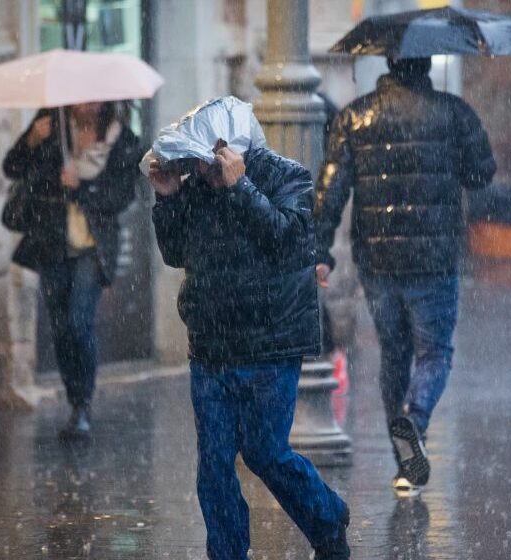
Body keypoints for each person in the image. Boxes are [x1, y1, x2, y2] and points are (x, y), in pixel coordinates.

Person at [147, 97, 350, 560]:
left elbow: (291, 241)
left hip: (270, 344)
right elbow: (176, 252)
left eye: (208, 154)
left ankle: (327, 518)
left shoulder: (287, 176)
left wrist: (241, 189)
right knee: (214, 466)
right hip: (211, 345)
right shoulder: (195, 186)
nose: (201, 166)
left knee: (265, 453)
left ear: (231, 146)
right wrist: (168, 197)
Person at [315, 56, 496, 497]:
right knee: (434, 352)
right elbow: (482, 174)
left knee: (394, 355)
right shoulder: (454, 112)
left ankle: (404, 468)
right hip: (433, 258)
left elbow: (331, 186)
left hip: (377, 259)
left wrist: (319, 249)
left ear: (389, 65)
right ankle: (413, 422)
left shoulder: (355, 116)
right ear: (427, 65)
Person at [1, 102, 141, 439]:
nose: (85, 104)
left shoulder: (122, 139)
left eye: (93, 96)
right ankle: (73, 397)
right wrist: (33, 139)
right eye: (80, 97)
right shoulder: (51, 123)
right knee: (61, 326)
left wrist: (82, 188)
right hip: (52, 241)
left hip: (94, 246)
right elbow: (13, 167)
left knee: (79, 320)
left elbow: (122, 197)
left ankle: (83, 403)